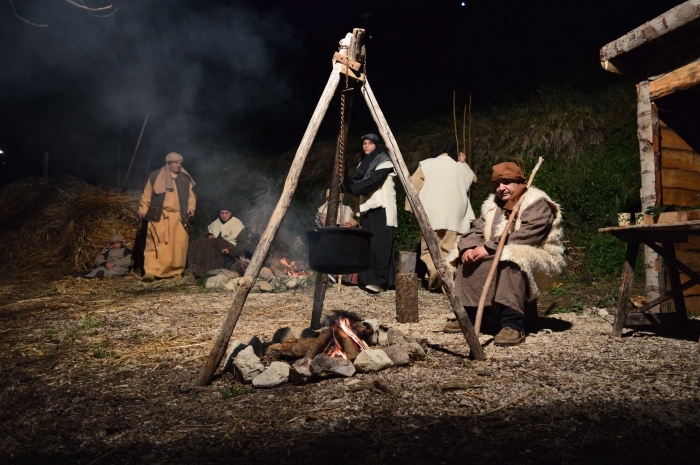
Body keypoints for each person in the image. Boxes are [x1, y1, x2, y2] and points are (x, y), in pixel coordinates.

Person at [444, 162, 565, 346]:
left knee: (511, 258)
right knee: (466, 259)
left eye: (506, 182)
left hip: (537, 253)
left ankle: (512, 324)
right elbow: (477, 229)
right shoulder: (493, 205)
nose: (501, 188)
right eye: (497, 184)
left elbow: (529, 234)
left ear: (519, 182)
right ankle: (468, 316)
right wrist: (468, 248)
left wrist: (488, 248)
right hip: (500, 249)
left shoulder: (536, 201)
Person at [405, 141, 476, 291]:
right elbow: (473, 179)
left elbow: (413, 185)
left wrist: (409, 206)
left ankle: (435, 277)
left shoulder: (427, 164)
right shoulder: (460, 168)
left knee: (429, 250)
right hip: (455, 216)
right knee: (448, 250)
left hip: (431, 214)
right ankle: (446, 284)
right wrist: (463, 163)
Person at [341, 133, 397, 294]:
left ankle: (379, 282)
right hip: (368, 208)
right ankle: (367, 280)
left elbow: (372, 182)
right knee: (368, 245)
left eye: (370, 143)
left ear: (376, 145)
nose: (366, 146)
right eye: (364, 143)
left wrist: (350, 188)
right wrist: (344, 177)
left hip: (382, 208)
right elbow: (356, 183)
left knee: (380, 245)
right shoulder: (363, 164)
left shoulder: (384, 161)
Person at [137, 152, 196, 281]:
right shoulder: (155, 176)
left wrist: (191, 207)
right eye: (176, 163)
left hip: (178, 217)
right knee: (156, 244)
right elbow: (146, 195)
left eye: (180, 163)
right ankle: (151, 272)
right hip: (159, 215)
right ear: (169, 164)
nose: (178, 165)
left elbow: (191, 196)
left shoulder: (184, 178)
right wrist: (143, 209)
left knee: (178, 246)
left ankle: (176, 272)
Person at [193, 207, 250, 278]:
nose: (224, 216)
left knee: (216, 242)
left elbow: (243, 243)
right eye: (222, 213)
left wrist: (230, 250)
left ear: (231, 213)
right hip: (215, 243)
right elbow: (207, 233)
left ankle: (215, 273)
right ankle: (201, 272)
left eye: (227, 213)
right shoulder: (215, 222)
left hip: (230, 246)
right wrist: (209, 235)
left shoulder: (237, 224)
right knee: (201, 241)